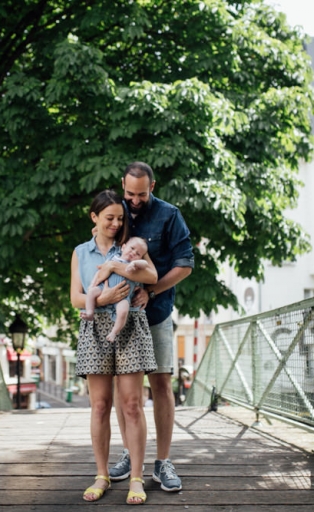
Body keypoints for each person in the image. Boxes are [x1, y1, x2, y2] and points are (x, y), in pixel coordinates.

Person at [94, 162, 194, 492]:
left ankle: (163, 462)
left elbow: (185, 265)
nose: (134, 201)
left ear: (153, 185)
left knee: (162, 385)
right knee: (128, 394)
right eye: (129, 193)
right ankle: (128, 453)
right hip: (118, 317)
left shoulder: (169, 214)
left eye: (141, 193)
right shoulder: (115, 210)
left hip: (157, 313)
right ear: (122, 185)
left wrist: (151, 291)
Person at [70, 189, 159, 505]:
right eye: (109, 218)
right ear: (94, 217)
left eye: (119, 218)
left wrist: (114, 268)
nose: (115, 223)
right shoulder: (80, 252)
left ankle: (136, 477)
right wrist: (103, 298)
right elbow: (76, 298)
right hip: (95, 327)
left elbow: (151, 274)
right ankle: (102, 475)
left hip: (131, 324)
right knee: (99, 405)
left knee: (133, 403)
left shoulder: (130, 247)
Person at [81, 236, 149, 342]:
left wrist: (135, 263)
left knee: (123, 312)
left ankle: (114, 332)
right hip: (104, 288)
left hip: (123, 296)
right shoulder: (113, 258)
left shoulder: (136, 267)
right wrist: (93, 284)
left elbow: (145, 264)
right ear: (123, 247)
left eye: (138, 254)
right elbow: (100, 271)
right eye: (132, 248)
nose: (133, 253)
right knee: (91, 292)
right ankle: (90, 312)